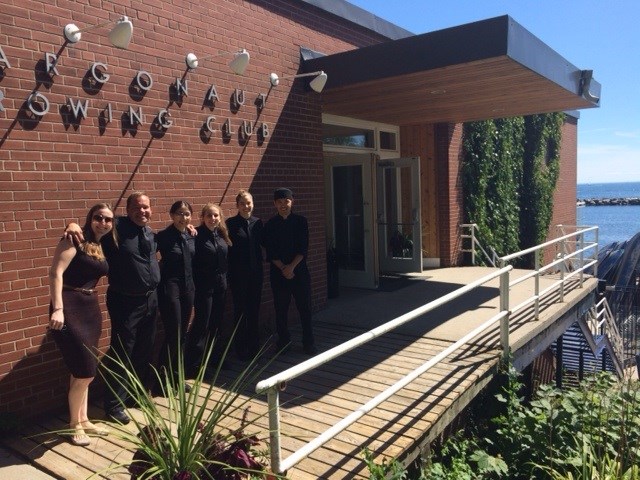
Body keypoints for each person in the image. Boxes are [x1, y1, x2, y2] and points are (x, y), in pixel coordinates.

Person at [66, 192, 161, 424]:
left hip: (151, 299)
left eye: (146, 207)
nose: (143, 211)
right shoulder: (116, 228)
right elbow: (92, 228)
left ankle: (134, 395)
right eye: (137, 207)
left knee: (143, 349)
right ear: (127, 210)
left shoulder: (149, 232)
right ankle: (113, 406)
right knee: (122, 352)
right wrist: (71, 225)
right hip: (126, 301)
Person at [49, 203, 114, 446]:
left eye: (108, 220)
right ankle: (73, 425)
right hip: (69, 305)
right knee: (85, 371)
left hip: (89, 307)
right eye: (98, 217)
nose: (103, 223)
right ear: (90, 218)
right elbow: (55, 273)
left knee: (80, 368)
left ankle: (83, 419)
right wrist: (58, 309)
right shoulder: (73, 238)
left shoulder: (98, 244)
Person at [262, 188, 316, 355]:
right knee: (281, 310)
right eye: (279, 202)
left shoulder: (301, 221)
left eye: (286, 201)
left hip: (299, 272)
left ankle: (308, 343)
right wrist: (283, 269)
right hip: (278, 274)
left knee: (304, 308)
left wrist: (291, 267)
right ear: (275, 204)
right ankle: (284, 342)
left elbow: (303, 248)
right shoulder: (270, 224)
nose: (283, 205)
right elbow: (270, 251)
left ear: (292, 201)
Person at [185, 203, 232, 377]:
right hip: (204, 288)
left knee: (217, 324)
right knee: (201, 325)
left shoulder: (221, 235)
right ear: (203, 217)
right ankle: (194, 366)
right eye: (209, 216)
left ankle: (216, 358)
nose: (213, 219)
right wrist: (188, 229)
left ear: (220, 218)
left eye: (216, 216)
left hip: (221, 286)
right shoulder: (196, 235)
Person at [155, 200, 195, 392]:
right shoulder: (163, 237)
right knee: (174, 333)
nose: (183, 217)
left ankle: (177, 377)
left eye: (187, 214)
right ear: (172, 215)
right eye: (179, 213)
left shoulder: (190, 235)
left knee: (182, 335)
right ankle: (161, 381)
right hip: (170, 290)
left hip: (188, 289)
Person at [227, 190, 264, 361]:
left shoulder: (258, 223)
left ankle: (254, 348)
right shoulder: (231, 224)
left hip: (256, 275)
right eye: (242, 203)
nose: (246, 206)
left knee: (254, 311)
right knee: (240, 313)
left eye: (248, 202)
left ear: (253, 204)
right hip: (238, 277)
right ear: (237, 206)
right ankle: (241, 349)